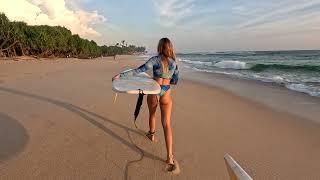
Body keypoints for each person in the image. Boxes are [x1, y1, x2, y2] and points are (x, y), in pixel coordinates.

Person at [112, 38, 179, 168]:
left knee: (152, 114)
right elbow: (175, 81)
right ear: (170, 48)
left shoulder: (155, 60)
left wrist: (120, 76)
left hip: (155, 90)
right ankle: (170, 157)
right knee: (166, 124)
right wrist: (167, 79)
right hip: (166, 92)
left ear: (160, 47)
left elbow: (139, 70)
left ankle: (151, 135)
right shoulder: (173, 63)